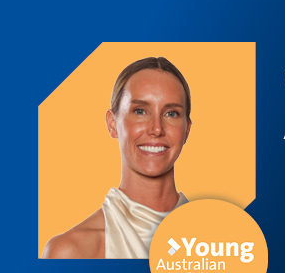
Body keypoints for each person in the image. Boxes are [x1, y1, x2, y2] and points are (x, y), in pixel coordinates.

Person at [42, 57, 192, 259]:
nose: (157, 128)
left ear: (187, 130)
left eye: (171, 113)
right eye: (140, 111)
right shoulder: (71, 251)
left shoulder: (221, 242)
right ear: (112, 124)